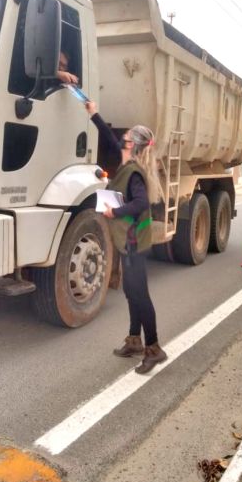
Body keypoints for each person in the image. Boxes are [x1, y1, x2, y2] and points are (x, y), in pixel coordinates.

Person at [83, 99, 167, 374]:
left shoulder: (134, 173)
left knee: (140, 295)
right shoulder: (126, 163)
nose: (122, 137)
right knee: (132, 293)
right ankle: (134, 340)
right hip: (129, 239)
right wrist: (94, 113)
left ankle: (153, 348)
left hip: (134, 242)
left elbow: (141, 203)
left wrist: (114, 212)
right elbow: (108, 139)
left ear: (133, 144)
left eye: (127, 136)